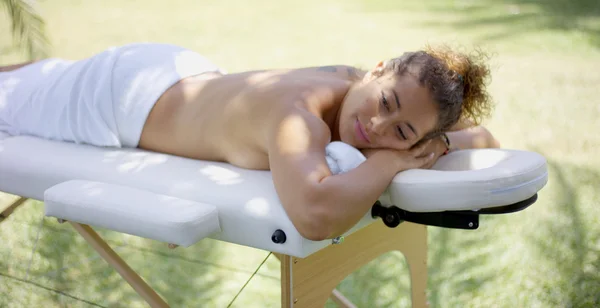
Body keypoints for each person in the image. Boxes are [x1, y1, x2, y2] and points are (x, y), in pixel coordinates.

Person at [0, 43, 499, 240]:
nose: (377, 129)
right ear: (375, 69)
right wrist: (392, 163)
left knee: (37, 78)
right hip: (112, 102)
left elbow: (485, 137)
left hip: (177, 74)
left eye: (404, 133)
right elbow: (316, 213)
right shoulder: (295, 115)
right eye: (385, 103)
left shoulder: (360, 93)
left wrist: (433, 144)